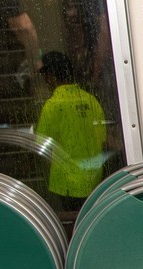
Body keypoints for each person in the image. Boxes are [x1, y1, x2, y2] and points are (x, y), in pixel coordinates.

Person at [35, 51, 107, 211]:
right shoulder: (91, 100)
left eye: (45, 75)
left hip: (67, 183)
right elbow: (102, 139)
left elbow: (41, 144)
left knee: (73, 220)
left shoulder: (53, 105)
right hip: (94, 180)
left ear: (50, 76)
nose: (45, 80)